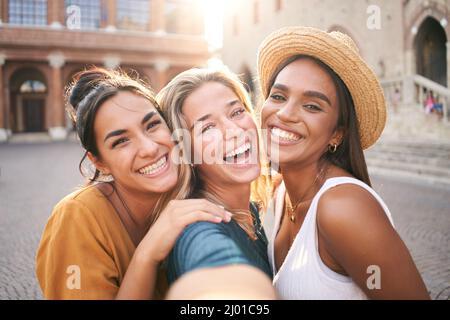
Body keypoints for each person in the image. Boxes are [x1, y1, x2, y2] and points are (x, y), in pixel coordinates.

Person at [256, 26, 429, 299]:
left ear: (337, 133)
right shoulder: (279, 192)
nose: (285, 113)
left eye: (312, 106)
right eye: (278, 96)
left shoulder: (342, 209)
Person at [35, 67, 231, 299]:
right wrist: (146, 254)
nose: (149, 148)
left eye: (152, 125)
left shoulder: (191, 193)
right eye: (121, 141)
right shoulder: (77, 217)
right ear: (99, 162)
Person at [157, 68, 276, 299]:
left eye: (237, 112)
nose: (233, 131)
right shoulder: (200, 229)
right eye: (207, 127)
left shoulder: (248, 209)